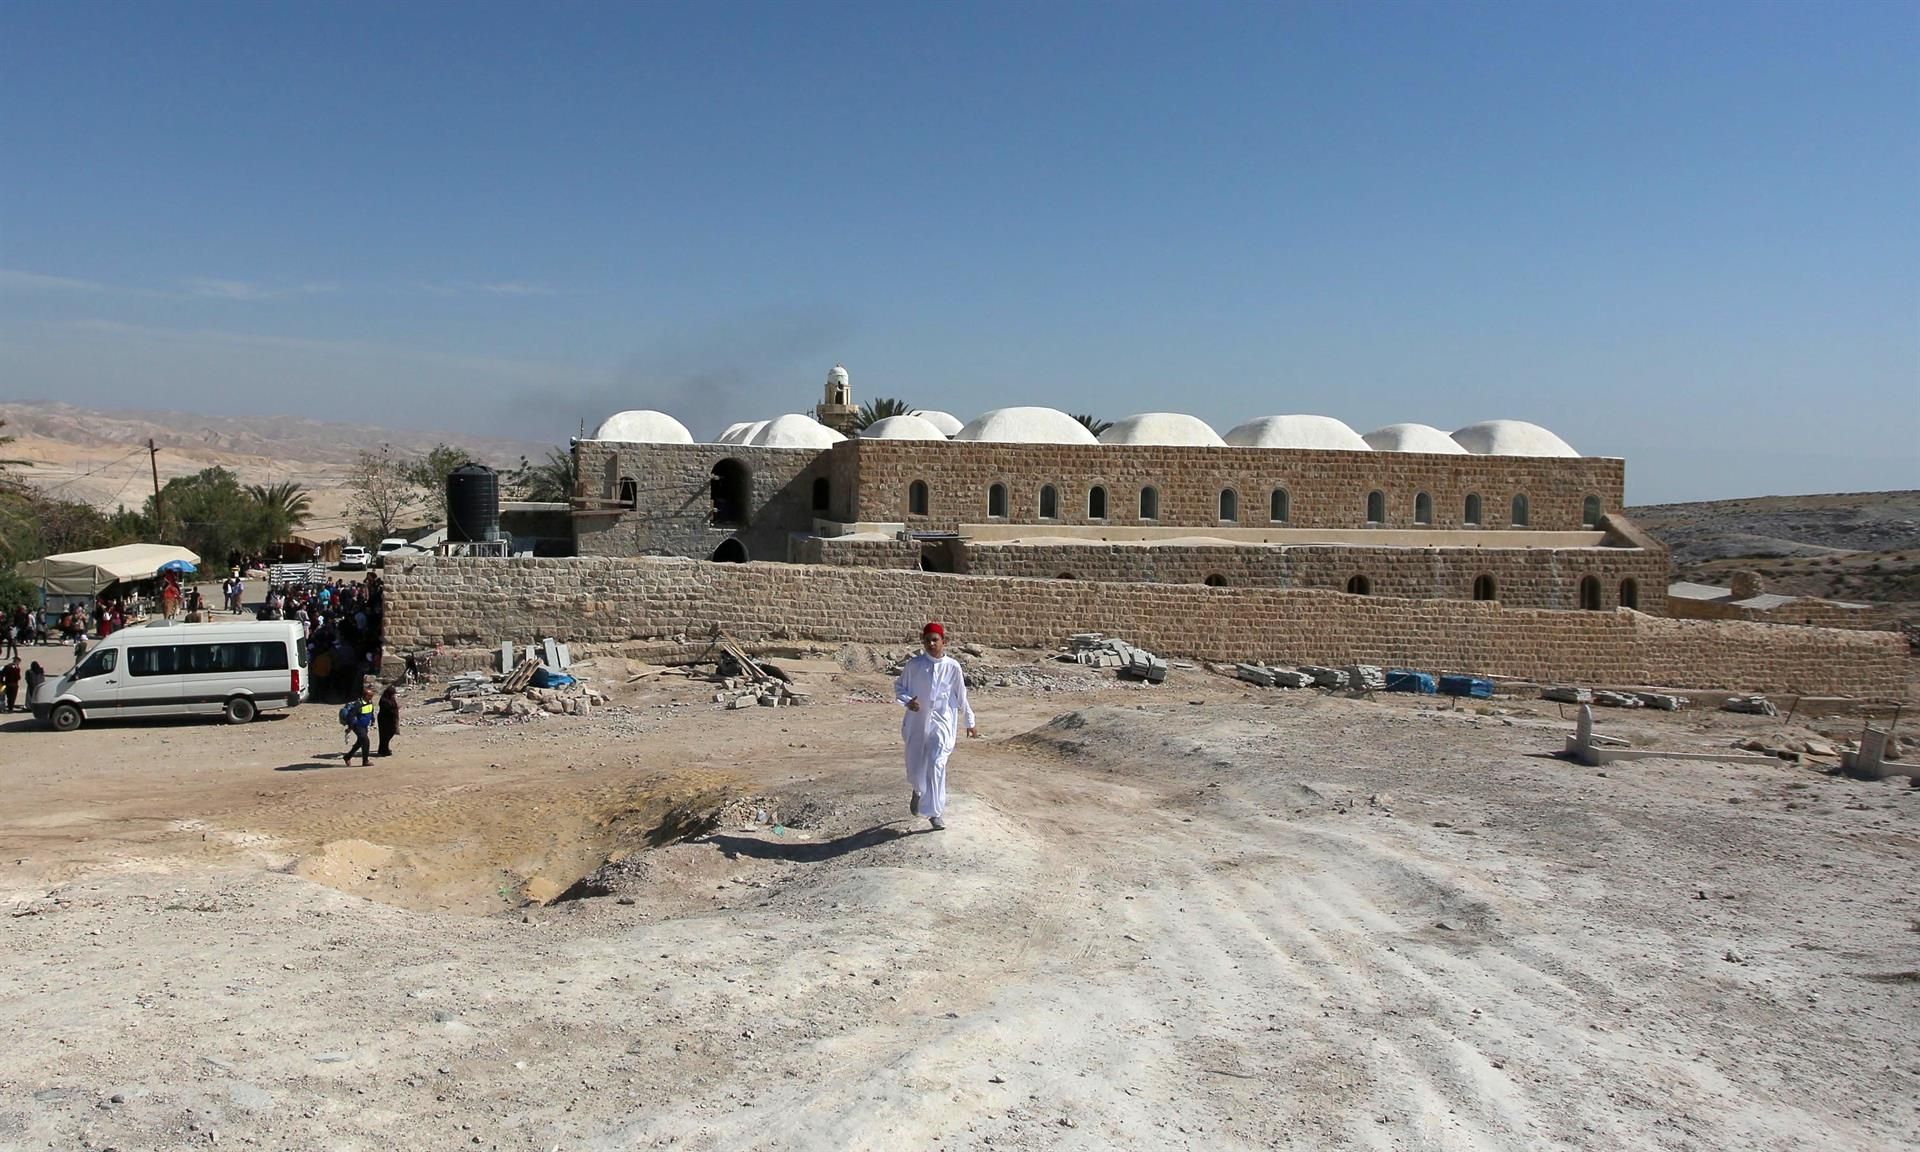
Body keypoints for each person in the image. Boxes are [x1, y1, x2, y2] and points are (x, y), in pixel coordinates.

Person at [892, 622, 979, 831]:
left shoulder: (952, 666)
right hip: (917, 721)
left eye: (935, 640)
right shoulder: (914, 665)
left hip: (942, 721)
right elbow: (899, 687)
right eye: (927, 640)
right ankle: (917, 790)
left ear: (943, 642)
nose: (931, 644)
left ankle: (935, 812)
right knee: (916, 764)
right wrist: (907, 701)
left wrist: (970, 721)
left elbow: (960, 695)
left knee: (937, 762)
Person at [340, 684, 376, 766]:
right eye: (370, 696)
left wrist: (373, 720)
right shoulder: (358, 704)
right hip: (358, 726)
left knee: (360, 742)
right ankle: (365, 761)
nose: (371, 697)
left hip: (364, 726)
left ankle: (347, 757)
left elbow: (371, 711)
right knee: (366, 741)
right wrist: (350, 727)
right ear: (365, 696)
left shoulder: (369, 702)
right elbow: (351, 716)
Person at [376, 684, 399, 757]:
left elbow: (393, 707)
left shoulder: (390, 698)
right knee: (384, 735)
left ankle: (384, 749)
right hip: (384, 720)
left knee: (390, 733)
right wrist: (394, 709)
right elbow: (388, 709)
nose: (393, 695)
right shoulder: (384, 700)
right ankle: (383, 750)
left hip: (390, 720)